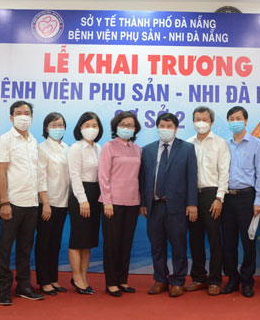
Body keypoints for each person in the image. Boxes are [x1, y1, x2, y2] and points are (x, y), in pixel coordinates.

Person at [140, 112, 198, 298]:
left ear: (176, 128)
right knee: (157, 245)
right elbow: (143, 179)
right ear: (157, 128)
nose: (165, 130)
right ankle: (160, 279)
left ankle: (178, 281)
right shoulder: (147, 150)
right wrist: (143, 202)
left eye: (169, 126)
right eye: (162, 126)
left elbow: (192, 177)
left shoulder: (187, 148)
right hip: (154, 206)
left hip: (178, 207)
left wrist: (192, 204)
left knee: (178, 245)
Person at [0, 101, 45, 305]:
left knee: (25, 248)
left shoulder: (33, 141)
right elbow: (1, 171)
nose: (23, 116)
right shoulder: (5, 139)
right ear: (11, 117)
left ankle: (24, 286)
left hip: (31, 203)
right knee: (5, 248)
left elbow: (37, 173)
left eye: (27, 113)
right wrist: (4, 201)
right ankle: (4, 289)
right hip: (12, 202)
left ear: (32, 117)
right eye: (19, 113)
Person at [221, 106, 260, 298]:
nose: (235, 121)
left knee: (248, 241)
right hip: (227, 198)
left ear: (246, 121)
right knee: (228, 242)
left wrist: (259, 200)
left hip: (248, 198)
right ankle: (232, 278)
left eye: (238, 118)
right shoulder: (224, 145)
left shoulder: (257, 144)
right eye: (231, 119)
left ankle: (247, 281)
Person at [185, 106, 230, 296]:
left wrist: (219, 198)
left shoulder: (220, 144)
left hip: (213, 195)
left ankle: (214, 280)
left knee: (214, 239)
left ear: (211, 122)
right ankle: (198, 278)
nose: (201, 122)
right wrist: (189, 200)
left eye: (205, 119)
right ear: (193, 121)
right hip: (192, 196)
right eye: (197, 119)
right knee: (195, 239)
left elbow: (224, 172)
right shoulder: (187, 144)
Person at [98, 110, 142, 297]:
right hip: (112, 203)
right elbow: (103, 175)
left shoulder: (137, 149)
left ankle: (122, 280)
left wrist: (140, 202)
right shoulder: (108, 147)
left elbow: (140, 177)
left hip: (132, 203)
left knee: (126, 243)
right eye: (123, 124)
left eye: (130, 125)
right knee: (112, 244)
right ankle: (111, 283)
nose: (127, 128)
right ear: (116, 127)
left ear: (135, 129)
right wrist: (107, 200)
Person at [67, 112, 103, 294]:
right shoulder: (75, 148)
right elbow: (74, 176)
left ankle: (83, 276)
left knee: (88, 240)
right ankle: (76, 276)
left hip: (96, 195)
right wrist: (83, 200)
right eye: (87, 125)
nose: (91, 129)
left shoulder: (99, 148)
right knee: (78, 239)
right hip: (80, 195)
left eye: (95, 125)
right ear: (80, 128)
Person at [35, 112, 70, 296]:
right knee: (44, 242)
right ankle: (44, 280)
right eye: (54, 125)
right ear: (46, 127)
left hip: (63, 203)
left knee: (55, 242)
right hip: (47, 203)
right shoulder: (42, 148)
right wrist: (45, 203)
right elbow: (40, 177)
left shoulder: (66, 147)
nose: (58, 128)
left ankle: (53, 278)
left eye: (61, 124)